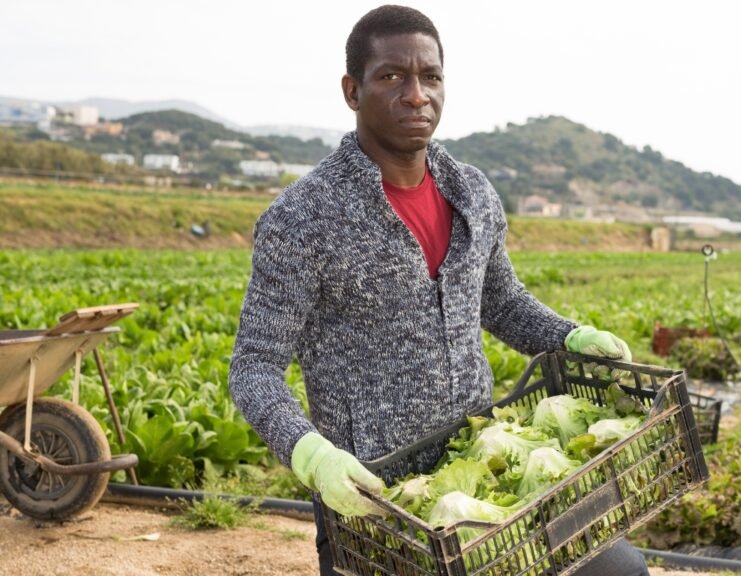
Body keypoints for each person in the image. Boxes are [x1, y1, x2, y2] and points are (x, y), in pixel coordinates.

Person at [228, 5, 647, 576]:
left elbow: (501, 302)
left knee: (619, 570)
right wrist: (311, 453)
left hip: (481, 479)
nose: (416, 94)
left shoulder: (472, 192)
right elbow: (254, 367)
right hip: (378, 507)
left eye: (430, 76)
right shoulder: (303, 217)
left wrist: (570, 336)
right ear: (353, 91)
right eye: (391, 76)